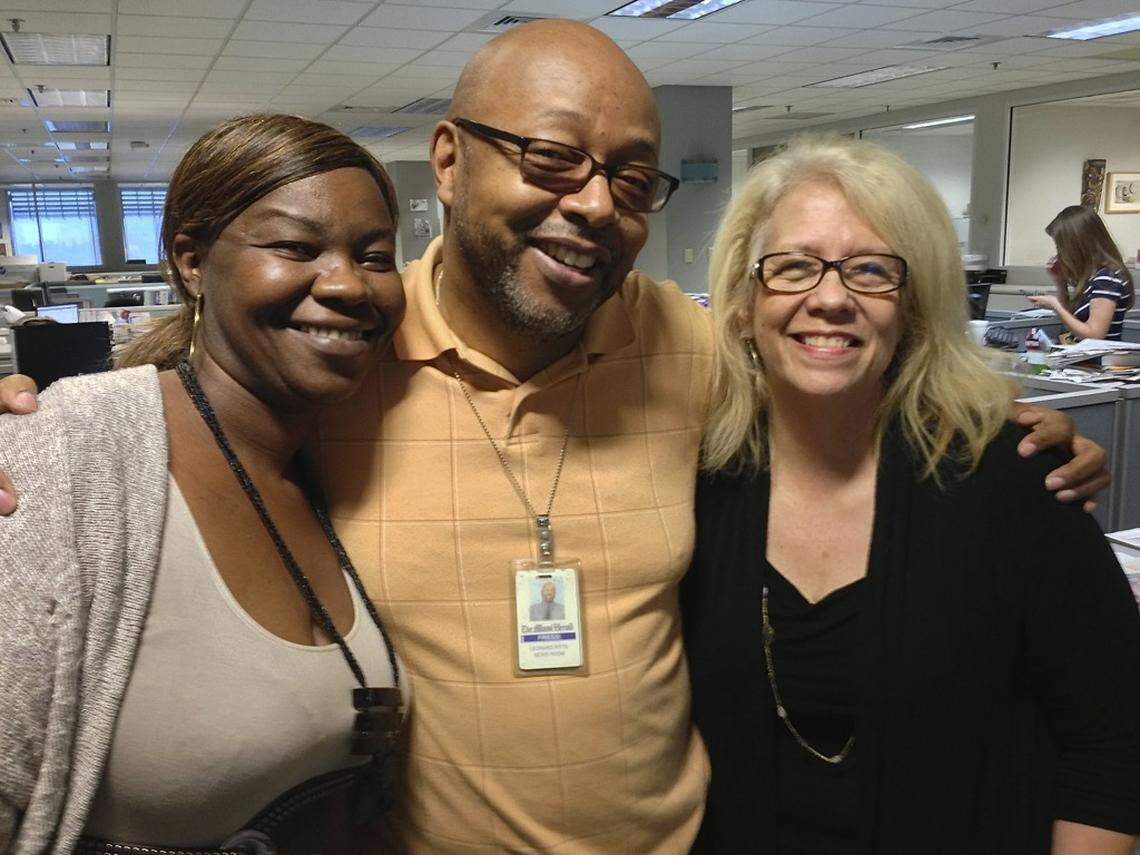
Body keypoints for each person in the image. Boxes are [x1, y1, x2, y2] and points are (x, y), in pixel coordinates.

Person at [0, 21, 1114, 853]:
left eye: (630, 178)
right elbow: (207, 396)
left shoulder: (690, 352)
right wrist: (39, 433)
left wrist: (1009, 430)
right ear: (449, 161)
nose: (592, 204)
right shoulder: (350, 355)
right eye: (549, 159)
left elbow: (840, 387)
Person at [683, 134, 1140, 853]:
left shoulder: (1013, 478)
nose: (830, 298)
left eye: (870, 270)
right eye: (794, 266)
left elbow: (1112, 737)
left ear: (914, 306)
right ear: (743, 302)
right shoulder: (689, 485)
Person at [0, 114, 408, 853]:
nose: (348, 283)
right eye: (296, 247)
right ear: (192, 261)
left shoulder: (336, 453)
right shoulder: (67, 455)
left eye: (374, 256)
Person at [1029, 205, 1135, 341]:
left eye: (1060, 246)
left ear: (1077, 245)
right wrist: (1060, 283)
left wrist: (1055, 305)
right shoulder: (1095, 276)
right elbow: (1073, 322)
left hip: (1098, 354)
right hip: (1084, 352)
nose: (1059, 252)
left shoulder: (1107, 278)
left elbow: (1094, 334)